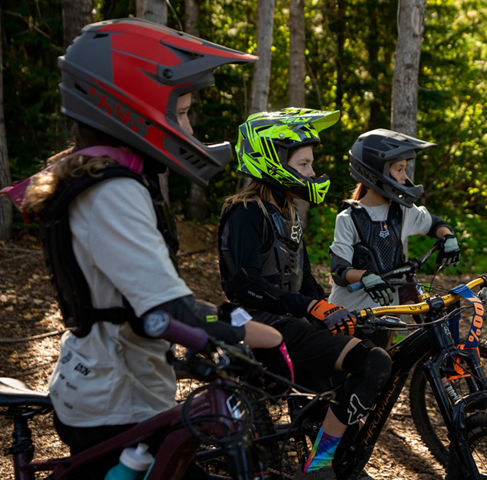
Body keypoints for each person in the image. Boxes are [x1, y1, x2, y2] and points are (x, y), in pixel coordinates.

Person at [6, 18, 285, 479]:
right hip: (115, 403)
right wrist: (258, 336)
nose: (190, 125)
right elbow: (165, 311)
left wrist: (231, 318)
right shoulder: (114, 192)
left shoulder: (97, 175)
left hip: (112, 387)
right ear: (134, 105)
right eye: (183, 111)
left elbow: (142, 296)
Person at [218, 109, 392, 478]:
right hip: (259, 325)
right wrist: (310, 306)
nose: (312, 173)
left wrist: (328, 308)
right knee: (373, 362)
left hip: (292, 320)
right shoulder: (244, 212)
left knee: (363, 351)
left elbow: (304, 280)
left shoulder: (288, 212)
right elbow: (243, 285)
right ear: (272, 160)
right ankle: (320, 463)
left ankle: (332, 452)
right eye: (305, 164)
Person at [328, 129, 461, 322]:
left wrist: (448, 237)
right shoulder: (348, 218)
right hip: (352, 314)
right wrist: (365, 276)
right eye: (399, 169)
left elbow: (435, 224)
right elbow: (339, 270)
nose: (404, 177)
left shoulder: (402, 211)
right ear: (375, 171)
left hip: (389, 310)